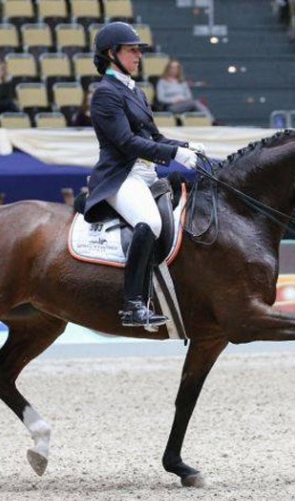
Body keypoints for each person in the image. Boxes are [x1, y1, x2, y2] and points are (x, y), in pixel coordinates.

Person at [84, 21, 204, 328]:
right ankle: (133, 304)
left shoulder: (134, 90)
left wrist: (185, 146)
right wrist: (174, 155)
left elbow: (154, 138)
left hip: (146, 174)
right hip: (120, 176)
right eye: (132, 50)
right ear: (111, 53)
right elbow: (126, 143)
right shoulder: (105, 93)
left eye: (139, 50)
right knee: (148, 221)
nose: (138, 55)